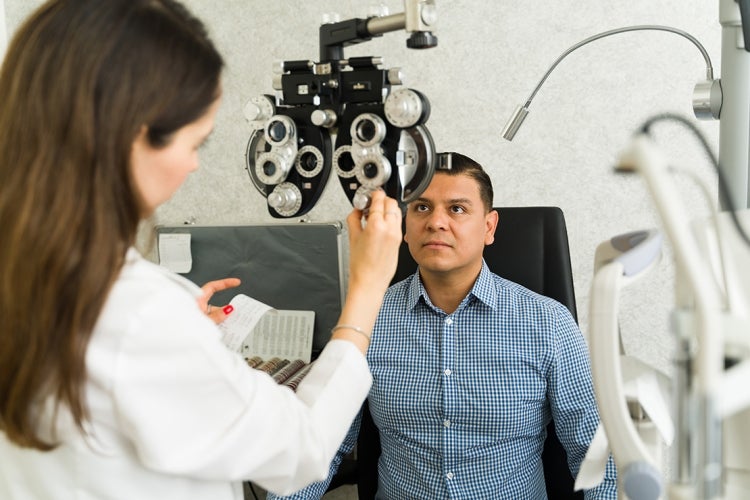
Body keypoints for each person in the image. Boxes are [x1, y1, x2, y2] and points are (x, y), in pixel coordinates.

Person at [0, 1, 403, 499]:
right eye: (197, 144)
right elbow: (300, 451)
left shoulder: (47, 277)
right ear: (132, 133)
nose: (192, 167)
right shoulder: (137, 310)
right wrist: (366, 288)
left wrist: (180, 334)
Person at [269, 153, 618, 499]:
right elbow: (321, 443)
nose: (436, 222)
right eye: (421, 207)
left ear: (488, 227)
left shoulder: (549, 323)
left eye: (457, 209)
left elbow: (599, 455)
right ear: (405, 224)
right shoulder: (366, 318)